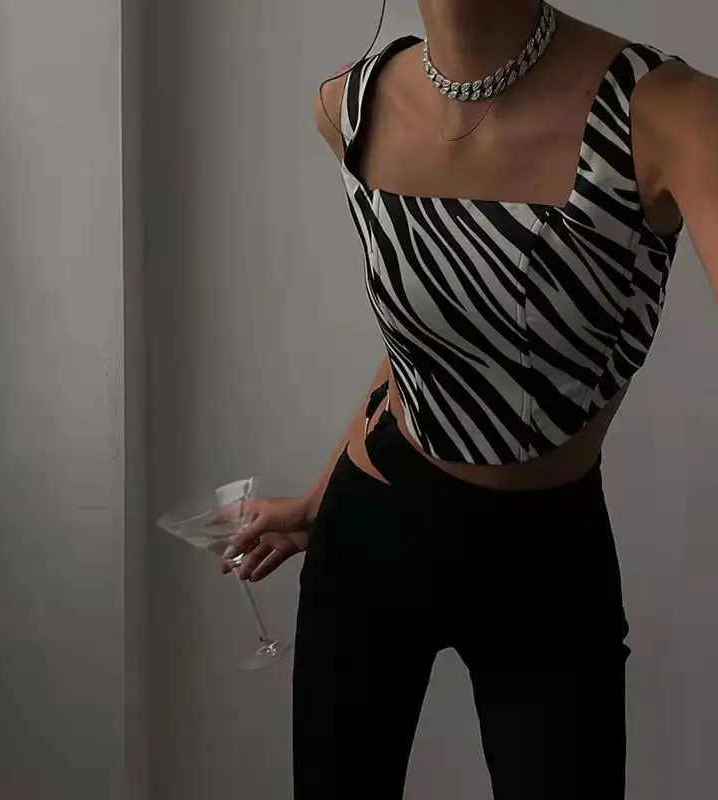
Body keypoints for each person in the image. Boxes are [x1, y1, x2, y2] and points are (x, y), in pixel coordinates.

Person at [223, 1, 718, 797]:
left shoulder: (667, 110)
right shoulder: (350, 106)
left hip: (545, 559)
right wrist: (318, 501)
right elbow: (427, 346)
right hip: (373, 527)